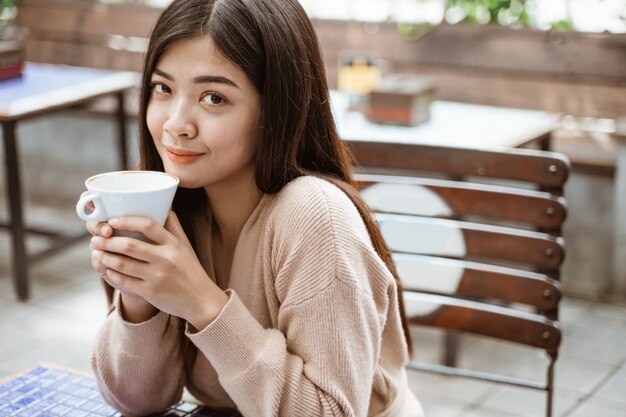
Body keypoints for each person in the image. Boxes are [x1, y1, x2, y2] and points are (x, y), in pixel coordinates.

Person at [86, 0, 424, 416]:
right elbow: (135, 401)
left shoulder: (315, 217)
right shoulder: (173, 208)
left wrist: (201, 303)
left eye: (213, 97)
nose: (176, 123)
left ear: (276, 107)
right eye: (163, 88)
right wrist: (139, 298)